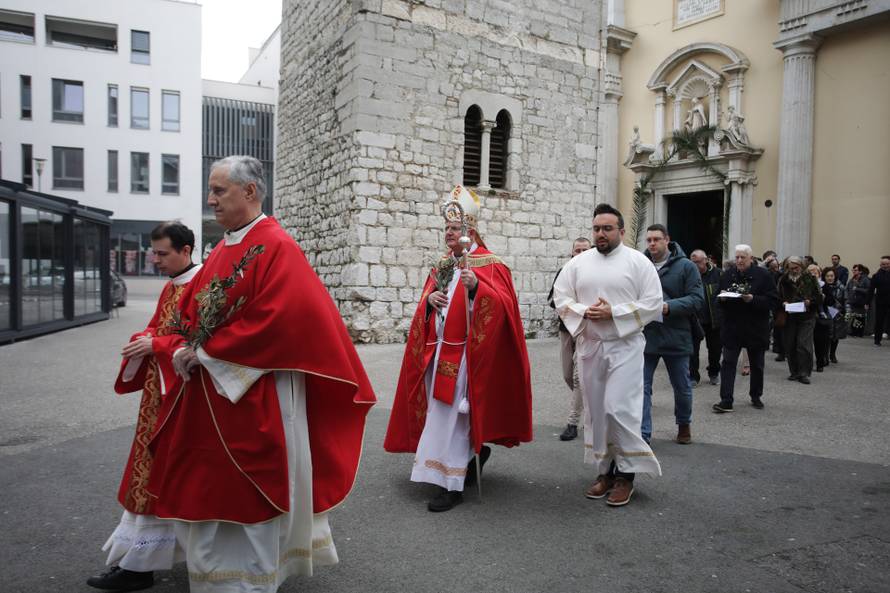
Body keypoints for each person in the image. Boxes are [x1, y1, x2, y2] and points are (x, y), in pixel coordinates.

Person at [146, 156, 376, 592]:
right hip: (215, 390)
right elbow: (197, 308)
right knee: (209, 480)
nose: (210, 200)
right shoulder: (228, 244)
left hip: (255, 388)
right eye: (211, 191)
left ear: (250, 192)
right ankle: (216, 575)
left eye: (219, 191)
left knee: (248, 486)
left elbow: (284, 318)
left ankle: (248, 578)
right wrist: (185, 344)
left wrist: (208, 351)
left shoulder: (275, 244)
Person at [384, 185, 533, 512]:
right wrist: (429, 302)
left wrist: (477, 288)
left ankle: (451, 485)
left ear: (471, 230)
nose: (449, 234)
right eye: (446, 228)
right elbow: (427, 301)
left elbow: (505, 307)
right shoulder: (443, 265)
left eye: (455, 228)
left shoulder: (491, 265)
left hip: (467, 357)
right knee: (442, 413)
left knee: (450, 415)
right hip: (437, 352)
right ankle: (465, 457)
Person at [87, 222, 201, 592]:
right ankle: (139, 561)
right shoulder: (172, 285)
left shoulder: (201, 285)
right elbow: (161, 329)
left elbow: (200, 342)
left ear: (185, 251)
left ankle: (141, 566)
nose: (155, 260)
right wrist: (148, 339)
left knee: (165, 476)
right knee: (151, 476)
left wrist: (158, 345)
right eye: (153, 253)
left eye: (162, 253)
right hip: (158, 396)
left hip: (182, 400)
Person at [553, 203, 662, 507]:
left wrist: (614, 313)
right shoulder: (578, 263)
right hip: (590, 346)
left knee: (618, 409)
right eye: (597, 228)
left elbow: (654, 303)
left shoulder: (639, 263)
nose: (601, 234)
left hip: (624, 346)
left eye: (607, 229)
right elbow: (561, 297)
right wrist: (585, 311)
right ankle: (605, 471)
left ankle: (626, 476)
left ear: (622, 231)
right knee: (597, 411)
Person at [640, 225, 703, 445]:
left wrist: (669, 307)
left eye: (656, 239)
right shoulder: (640, 265)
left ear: (667, 240)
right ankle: (643, 434)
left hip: (676, 333)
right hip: (646, 335)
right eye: (648, 240)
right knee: (642, 387)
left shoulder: (686, 266)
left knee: (682, 385)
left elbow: (697, 299)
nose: (652, 244)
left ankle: (684, 423)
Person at [712, 245, 778, 413]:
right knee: (728, 363)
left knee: (757, 365)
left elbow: (772, 301)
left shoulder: (763, 276)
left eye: (743, 257)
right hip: (732, 328)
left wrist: (753, 299)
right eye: (737, 257)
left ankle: (756, 395)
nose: (739, 261)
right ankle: (726, 400)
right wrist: (723, 300)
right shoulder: (727, 275)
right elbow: (716, 298)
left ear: (751, 258)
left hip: (755, 328)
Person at [548, 237, 592, 441]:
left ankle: (572, 423)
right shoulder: (564, 272)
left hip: (587, 330)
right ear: (572, 253)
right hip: (566, 330)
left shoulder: (596, 274)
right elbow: (553, 299)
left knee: (577, 376)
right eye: (577, 250)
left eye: (585, 249)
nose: (581, 253)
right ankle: (586, 399)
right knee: (568, 375)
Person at [778, 256, 822, 384]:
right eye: (791, 268)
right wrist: (783, 302)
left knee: (803, 344)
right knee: (790, 344)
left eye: (796, 268)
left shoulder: (810, 278)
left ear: (801, 267)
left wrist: (810, 302)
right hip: (790, 315)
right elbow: (777, 296)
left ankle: (804, 373)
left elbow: (819, 297)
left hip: (807, 316)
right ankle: (794, 372)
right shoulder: (783, 279)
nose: (794, 270)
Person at [689, 249, 722, 386]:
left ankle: (714, 372)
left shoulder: (718, 274)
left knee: (715, 350)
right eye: (692, 262)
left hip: (714, 320)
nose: (695, 265)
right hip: (694, 319)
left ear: (706, 260)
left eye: (697, 262)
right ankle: (693, 376)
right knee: (692, 350)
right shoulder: (689, 274)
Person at [821, 268, 847, 364]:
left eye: (831, 276)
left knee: (835, 336)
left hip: (837, 314)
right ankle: (824, 355)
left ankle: (832, 354)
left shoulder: (841, 287)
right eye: (827, 276)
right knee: (825, 336)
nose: (830, 278)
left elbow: (846, 300)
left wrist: (847, 312)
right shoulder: (821, 286)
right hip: (825, 313)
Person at [808, 265, 831, 371]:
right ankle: (806, 364)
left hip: (820, 317)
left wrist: (824, 298)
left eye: (815, 272)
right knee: (806, 342)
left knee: (820, 341)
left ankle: (820, 363)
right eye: (810, 272)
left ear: (819, 274)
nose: (813, 274)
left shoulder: (824, 286)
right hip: (807, 315)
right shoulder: (804, 285)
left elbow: (831, 301)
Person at [869, 256, 890, 346]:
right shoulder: (876, 276)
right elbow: (871, 289)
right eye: (883, 264)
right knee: (879, 321)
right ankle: (877, 340)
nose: (885, 266)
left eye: (887, 264)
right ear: (880, 265)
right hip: (881, 302)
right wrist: (867, 302)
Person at [846, 264, 870, 337]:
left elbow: (869, 290)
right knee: (854, 317)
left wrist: (857, 289)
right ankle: (854, 331)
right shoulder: (852, 279)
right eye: (853, 270)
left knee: (860, 318)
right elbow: (848, 288)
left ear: (860, 271)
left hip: (861, 301)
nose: (854, 271)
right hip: (852, 301)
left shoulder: (865, 279)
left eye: (856, 270)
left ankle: (859, 333)